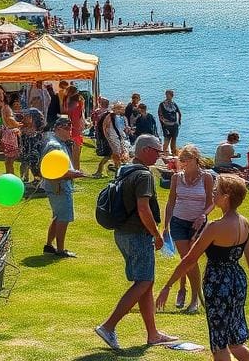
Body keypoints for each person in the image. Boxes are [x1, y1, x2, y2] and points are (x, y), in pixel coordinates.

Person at [157, 175, 249, 361]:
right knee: (234, 340)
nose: (213, 194)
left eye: (216, 191)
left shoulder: (215, 227)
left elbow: (190, 258)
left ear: (226, 196)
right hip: (237, 281)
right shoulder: (244, 223)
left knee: (219, 343)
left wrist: (168, 286)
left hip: (218, 283)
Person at [95, 134, 178, 351]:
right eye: (156, 151)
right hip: (138, 235)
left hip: (122, 233)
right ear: (145, 150)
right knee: (143, 282)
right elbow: (144, 209)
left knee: (146, 283)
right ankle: (108, 326)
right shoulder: (143, 176)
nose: (159, 155)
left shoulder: (125, 169)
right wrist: (157, 235)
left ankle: (153, 334)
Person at [163, 144, 215, 313]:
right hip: (178, 221)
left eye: (186, 160)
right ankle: (194, 298)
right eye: (181, 160)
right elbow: (171, 201)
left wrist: (203, 215)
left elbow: (210, 202)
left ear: (195, 159)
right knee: (187, 260)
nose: (183, 163)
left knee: (191, 260)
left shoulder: (206, 177)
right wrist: (166, 225)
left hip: (197, 224)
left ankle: (193, 296)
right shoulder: (177, 178)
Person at [41, 116, 85, 257]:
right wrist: (74, 174)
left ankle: (49, 246)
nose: (70, 131)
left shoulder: (55, 141)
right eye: (67, 128)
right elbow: (56, 170)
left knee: (57, 216)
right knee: (63, 218)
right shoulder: (56, 146)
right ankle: (60, 250)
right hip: (59, 186)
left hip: (55, 185)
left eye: (71, 128)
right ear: (58, 129)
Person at [18, 108, 44, 183]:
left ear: (33, 118)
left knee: (34, 164)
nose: (24, 117)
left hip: (35, 154)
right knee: (24, 164)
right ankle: (24, 179)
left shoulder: (39, 132)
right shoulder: (23, 129)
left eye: (27, 116)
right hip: (25, 152)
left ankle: (38, 180)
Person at [65, 94, 86, 171]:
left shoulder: (68, 107)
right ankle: (76, 168)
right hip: (76, 132)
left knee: (72, 153)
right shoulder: (78, 107)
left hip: (72, 131)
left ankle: (75, 168)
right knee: (76, 153)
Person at [158, 89, 182, 155]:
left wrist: (179, 122)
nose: (167, 96)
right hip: (166, 125)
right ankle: (165, 153)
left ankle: (173, 153)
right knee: (166, 140)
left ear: (172, 96)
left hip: (174, 125)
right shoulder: (162, 104)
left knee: (174, 140)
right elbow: (160, 114)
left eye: (168, 95)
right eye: (166, 95)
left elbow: (179, 113)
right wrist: (162, 123)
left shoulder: (174, 104)